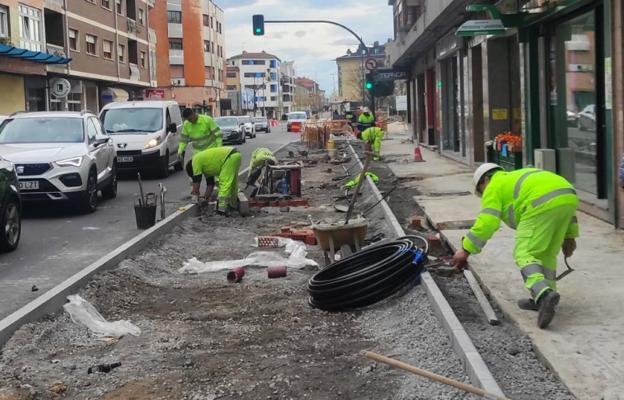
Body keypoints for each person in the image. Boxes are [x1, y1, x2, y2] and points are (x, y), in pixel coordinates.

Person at [452, 163, 579, 329]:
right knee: (546, 253)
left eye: (481, 191)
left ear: (485, 180)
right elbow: (560, 198)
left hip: (539, 204)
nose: (483, 194)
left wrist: (466, 249)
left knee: (524, 252)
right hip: (569, 195)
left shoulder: (494, 185)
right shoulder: (514, 178)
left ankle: (544, 294)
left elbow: (488, 222)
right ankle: (543, 300)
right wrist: (570, 235)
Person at [186, 146, 241, 216]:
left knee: (224, 183)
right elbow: (210, 184)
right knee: (233, 184)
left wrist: (195, 196)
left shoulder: (195, 161)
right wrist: (206, 198)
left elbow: (196, 181)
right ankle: (233, 205)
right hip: (235, 156)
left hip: (229, 158)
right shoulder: (205, 166)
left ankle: (221, 210)